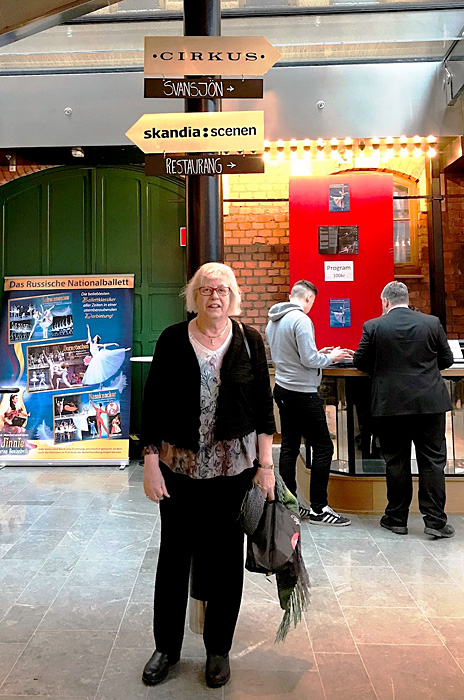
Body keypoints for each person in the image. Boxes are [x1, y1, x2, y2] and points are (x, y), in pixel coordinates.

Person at [141, 262, 275, 689]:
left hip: (233, 473)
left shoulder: (250, 341)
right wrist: (150, 462)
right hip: (178, 470)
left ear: (232, 297)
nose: (214, 297)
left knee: (224, 561)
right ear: (194, 296)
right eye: (206, 290)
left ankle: (218, 649)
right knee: (173, 559)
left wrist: (266, 466)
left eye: (222, 290)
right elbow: (152, 404)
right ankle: (166, 648)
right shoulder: (172, 340)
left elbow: (263, 409)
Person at [352, 281, 455, 538]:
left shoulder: (374, 326)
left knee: (396, 461)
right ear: (407, 300)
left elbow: (360, 361)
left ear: (385, 302)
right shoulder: (431, 323)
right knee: (432, 461)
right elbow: (447, 359)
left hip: (390, 404)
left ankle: (397, 518)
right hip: (429, 403)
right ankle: (435, 521)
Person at [266, 279, 352, 525]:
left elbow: (293, 355)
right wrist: (332, 357)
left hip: (283, 388)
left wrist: (319, 353)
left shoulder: (274, 320)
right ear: (309, 298)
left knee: (289, 447)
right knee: (324, 447)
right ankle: (319, 508)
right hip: (303, 392)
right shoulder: (301, 320)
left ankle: (289, 504)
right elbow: (308, 360)